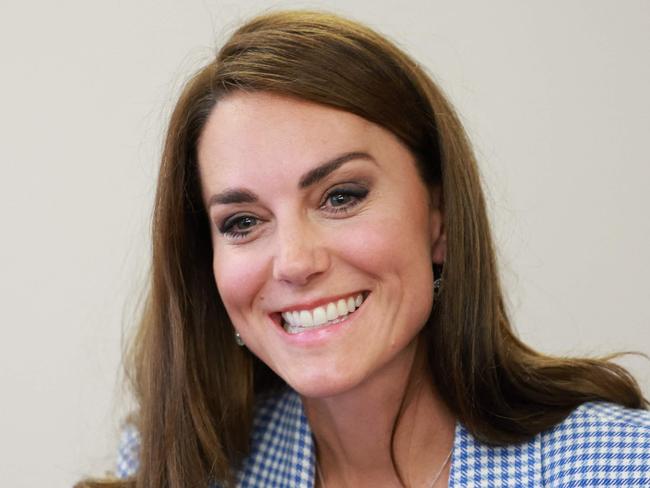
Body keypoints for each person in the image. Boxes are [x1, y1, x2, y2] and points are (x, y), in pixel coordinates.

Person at [77, 10, 649, 488]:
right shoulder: (178, 471)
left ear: (439, 218)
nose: (297, 262)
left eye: (341, 196)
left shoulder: (617, 467)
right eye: (244, 221)